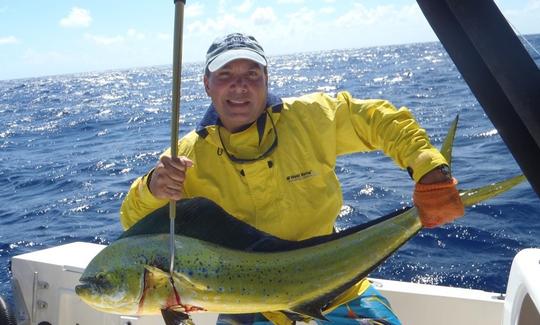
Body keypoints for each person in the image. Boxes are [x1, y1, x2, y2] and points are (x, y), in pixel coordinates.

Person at [120, 33, 464, 324]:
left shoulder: (309, 119)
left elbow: (376, 119)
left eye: (251, 73)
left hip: (335, 285)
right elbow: (133, 227)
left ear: (267, 79)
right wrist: (152, 189)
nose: (240, 85)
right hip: (249, 306)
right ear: (207, 84)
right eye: (226, 74)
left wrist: (429, 167)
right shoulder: (187, 156)